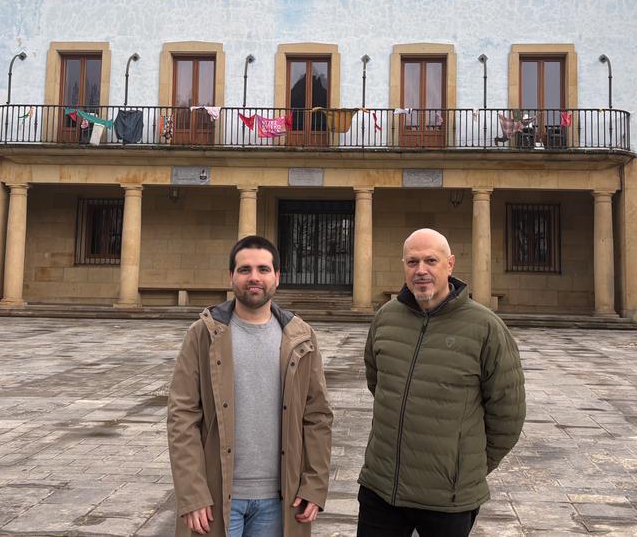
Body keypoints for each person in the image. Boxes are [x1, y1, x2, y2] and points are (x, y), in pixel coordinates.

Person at [358, 228, 526, 536]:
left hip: (448, 500)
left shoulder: (486, 327)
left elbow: (508, 414)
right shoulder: (385, 318)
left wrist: (465, 469)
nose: (420, 270)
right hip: (381, 487)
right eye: (412, 262)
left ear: (449, 264)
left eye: (430, 260)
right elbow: (378, 383)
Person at [168, 235, 333, 537]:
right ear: (231, 276)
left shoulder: (301, 337)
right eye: (244, 270)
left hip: (280, 498)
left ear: (277, 277)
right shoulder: (203, 335)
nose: (254, 277)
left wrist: (315, 484)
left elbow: (317, 416)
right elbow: (182, 417)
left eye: (263, 269)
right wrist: (192, 493)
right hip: (217, 497)